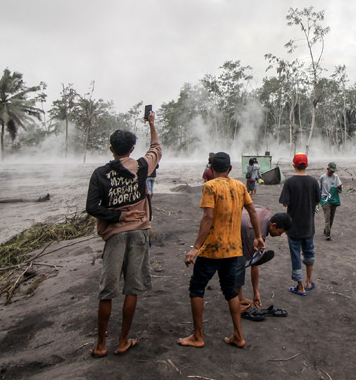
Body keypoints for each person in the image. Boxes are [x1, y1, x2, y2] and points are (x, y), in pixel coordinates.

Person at [85, 110, 161, 358]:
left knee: (107, 291)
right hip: (138, 234)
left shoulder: (100, 174)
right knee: (131, 289)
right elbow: (157, 147)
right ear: (131, 148)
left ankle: (100, 345)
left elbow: (92, 208)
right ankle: (123, 340)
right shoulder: (141, 167)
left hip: (114, 235)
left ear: (111, 149)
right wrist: (151, 123)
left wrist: (117, 216)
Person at [178, 152, 265, 349]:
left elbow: (208, 218)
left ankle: (198, 336)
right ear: (230, 169)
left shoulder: (210, 186)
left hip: (212, 248)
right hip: (234, 249)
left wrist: (196, 247)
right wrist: (258, 237)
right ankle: (238, 335)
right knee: (230, 291)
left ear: (211, 168)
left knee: (197, 288)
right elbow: (252, 211)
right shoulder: (239, 185)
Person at [279, 153, 320, 296]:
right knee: (309, 252)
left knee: (296, 255)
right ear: (306, 165)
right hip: (308, 225)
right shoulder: (314, 182)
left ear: (294, 165)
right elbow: (317, 202)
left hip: (293, 226)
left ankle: (300, 286)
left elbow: (285, 203)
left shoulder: (290, 182)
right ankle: (309, 281)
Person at [236, 207, 292, 310]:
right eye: (279, 232)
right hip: (231, 230)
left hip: (239, 222)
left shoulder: (267, 214)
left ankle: (239, 297)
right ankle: (235, 302)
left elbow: (256, 261)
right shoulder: (255, 234)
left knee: (240, 262)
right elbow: (253, 263)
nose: (279, 236)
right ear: (273, 225)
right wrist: (255, 292)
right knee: (239, 264)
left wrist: (256, 292)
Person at [319, 162, 343, 241]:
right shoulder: (322, 177)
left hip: (333, 199)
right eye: (331, 171)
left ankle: (326, 229)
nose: (332, 172)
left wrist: (339, 187)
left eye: (333, 171)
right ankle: (328, 233)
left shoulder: (336, 177)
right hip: (325, 199)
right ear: (327, 169)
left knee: (331, 217)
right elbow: (319, 189)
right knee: (327, 217)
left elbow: (340, 190)